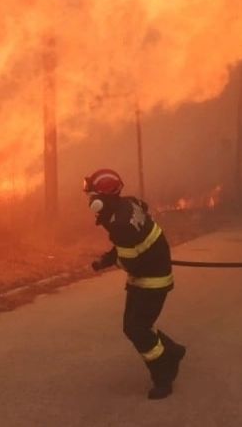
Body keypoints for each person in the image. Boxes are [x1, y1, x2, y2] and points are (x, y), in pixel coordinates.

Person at [84, 168, 186, 399]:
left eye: (93, 196)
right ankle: (173, 350)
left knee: (136, 328)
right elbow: (130, 240)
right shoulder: (128, 204)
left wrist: (114, 260)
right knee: (137, 324)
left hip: (150, 280)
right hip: (150, 273)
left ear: (104, 198)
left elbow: (130, 261)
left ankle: (164, 375)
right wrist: (106, 260)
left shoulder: (120, 224)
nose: (90, 201)